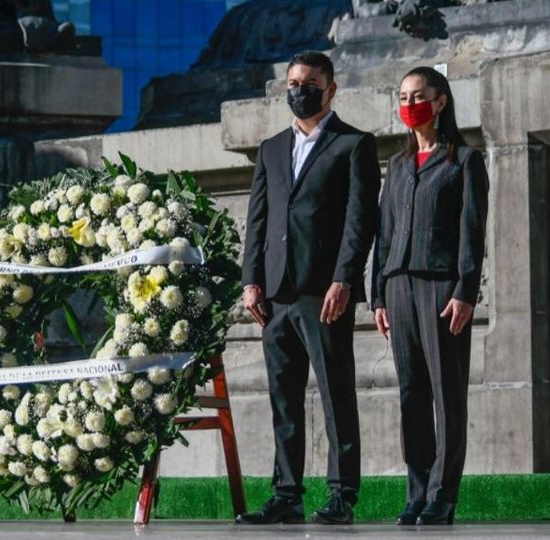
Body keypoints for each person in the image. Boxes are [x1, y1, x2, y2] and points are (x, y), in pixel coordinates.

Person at [238, 50, 380, 525]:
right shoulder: (272, 148)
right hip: (274, 294)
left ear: (330, 89)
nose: (300, 91)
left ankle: (342, 494)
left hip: (324, 293)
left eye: (310, 83)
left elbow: (360, 222)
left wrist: (345, 278)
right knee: (283, 396)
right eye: (294, 84)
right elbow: (257, 220)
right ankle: (286, 494)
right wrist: (250, 282)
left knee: (337, 392)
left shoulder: (353, 145)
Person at [371, 66, 489, 526]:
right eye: (402, 96)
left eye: (417, 95)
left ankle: (443, 494)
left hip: (442, 287)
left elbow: (472, 231)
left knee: (446, 392)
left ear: (440, 102)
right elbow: (384, 233)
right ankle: (417, 491)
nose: (408, 104)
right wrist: (377, 293)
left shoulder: (463, 161)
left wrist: (465, 290)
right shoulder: (398, 166)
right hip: (398, 286)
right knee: (410, 394)